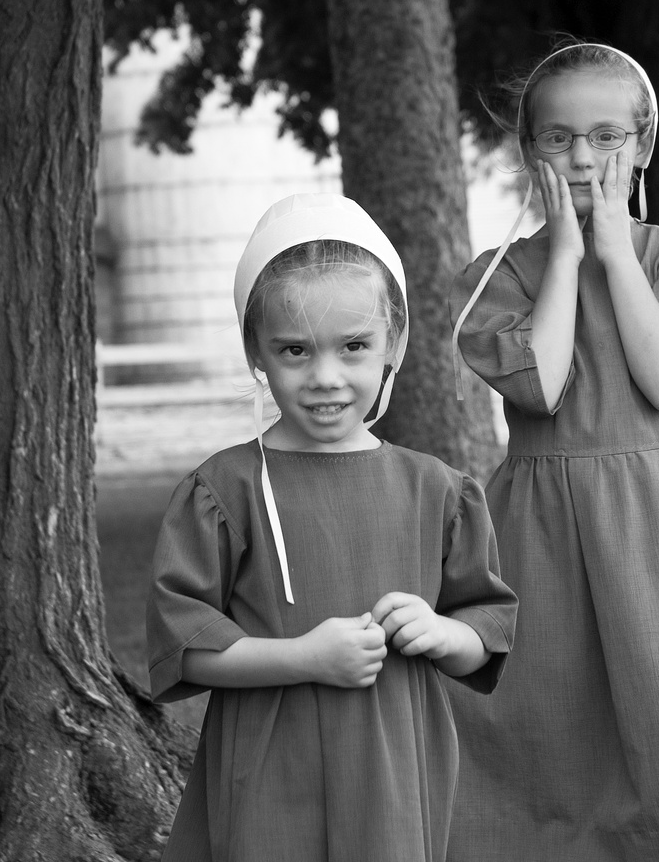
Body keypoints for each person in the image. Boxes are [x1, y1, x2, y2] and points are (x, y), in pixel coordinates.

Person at [147, 194, 518, 862]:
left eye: (353, 347)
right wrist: (305, 657)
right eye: (294, 350)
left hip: (394, 771)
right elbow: (186, 648)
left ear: (394, 344)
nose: (325, 378)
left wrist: (441, 632)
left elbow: (483, 638)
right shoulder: (223, 490)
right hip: (270, 769)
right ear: (255, 351)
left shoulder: (437, 490)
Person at [447, 42, 659, 860]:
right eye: (557, 138)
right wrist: (567, 254)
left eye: (606, 137)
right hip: (536, 522)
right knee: (540, 711)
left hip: (647, 516)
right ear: (528, 151)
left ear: (642, 146)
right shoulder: (498, 275)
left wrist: (612, 248)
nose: (581, 156)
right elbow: (538, 388)